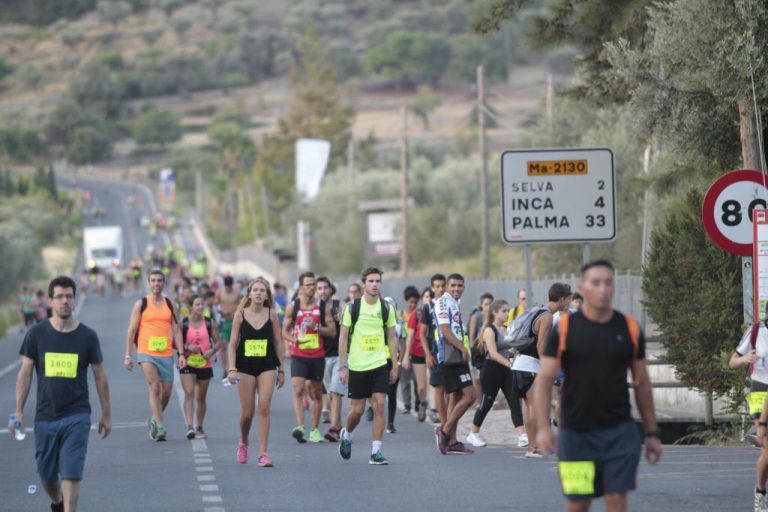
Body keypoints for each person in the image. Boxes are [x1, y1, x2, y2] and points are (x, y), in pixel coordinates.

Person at [534, 260, 662, 512]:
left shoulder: (629, 328)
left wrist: (652, 432)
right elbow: (545, 380)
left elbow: (642, 383)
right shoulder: (566, 328)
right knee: (579, 503)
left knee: (617, 501)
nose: (603, 289)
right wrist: (543, 429)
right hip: (575, 435)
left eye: (608, 282)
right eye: (595, 283)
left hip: (619, 433)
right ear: (583, 287)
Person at [12, 276, 111, 512]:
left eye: (69, 296)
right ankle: (57, 502)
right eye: (59, 297)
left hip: (77, 415)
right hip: (45, 417)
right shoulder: (36, 334)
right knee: (47, 476)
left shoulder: (87, 336)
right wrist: (18, 411)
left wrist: (106, 413)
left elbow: (100, 375)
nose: (65, 301)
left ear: (74, 300)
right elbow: (25, 373)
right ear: (50, 301)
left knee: (71, 471)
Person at [338, 267, 399, 465]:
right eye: (371, 281)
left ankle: (376, 452)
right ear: (364, 284)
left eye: (378, 281)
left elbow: (392, 336)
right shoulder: (352, 307)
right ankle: (346, 434)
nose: (375, 284)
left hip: (380, 362)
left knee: (380, 405)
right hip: (357, 365)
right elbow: (343, 337)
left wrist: (395, 364)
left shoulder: (386, 308)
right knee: (357, 411)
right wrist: (342, 366)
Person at [228, 277, 285, 467]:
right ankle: (243, 442)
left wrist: (282, 369)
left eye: (263, 290)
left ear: (267, 295)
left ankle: (263, 453)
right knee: (247, 413)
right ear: (249, 294)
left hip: (267, 365)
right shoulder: (240, 315)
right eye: (255, 290)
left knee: (264, 407)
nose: (259, 293)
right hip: (245, 366)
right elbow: (231, 344)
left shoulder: (272, 314)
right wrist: (231, 368)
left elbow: (278, 342)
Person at [124, 269, 186, 441]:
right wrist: (128, 355)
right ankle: (159, 426)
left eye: (159, 280)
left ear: (163, 283)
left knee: (166, 392)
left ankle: (154, 418)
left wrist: (181, 353)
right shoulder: (141, 304)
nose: (156, 284)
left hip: (166, 353)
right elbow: (132, 330)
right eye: (153, 280)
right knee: (155, 386)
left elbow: (176, 330)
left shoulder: (170, 304)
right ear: (149, 283)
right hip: (146, 352)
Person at [511, 282, 571, 458]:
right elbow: (541, 344)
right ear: (561, 299)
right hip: (529, 365)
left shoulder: (538, 309)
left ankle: (533, 446)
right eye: (567, 300)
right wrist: (548, 367)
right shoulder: (547, 317)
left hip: (520, 363)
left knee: (530, 406)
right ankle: (534, 447)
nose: (568, 303)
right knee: (534, 406)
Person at [282, 271, 336, 443]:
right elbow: (284, 331)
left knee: (316, 393)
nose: (313, 288)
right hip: (299, 355)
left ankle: (314, 430)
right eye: (309, 285)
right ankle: (301, 427)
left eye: (314, 284)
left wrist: (317, 327)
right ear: (301, 287)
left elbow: (333, 332)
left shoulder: (322, 306)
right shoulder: (293, 306)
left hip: (317, 355)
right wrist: (293, 341)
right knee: (298, 389)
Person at [466, 300, 525, 448]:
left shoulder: (506, 329)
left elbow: (509, 349)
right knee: (487, 402)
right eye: (504, 311)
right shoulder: (489, 330)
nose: (507, 314)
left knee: (514, 401)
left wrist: (516, 355)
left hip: (506, 369)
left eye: (508, 310)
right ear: (495, 313)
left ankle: (522, 436)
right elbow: (492, 353)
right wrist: (509, 363)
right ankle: (473, 433)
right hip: (492, 369)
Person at [730, 302, 768, 512]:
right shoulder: (755, 331)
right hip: (759, 389)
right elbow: (731, 362)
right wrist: (745, 358)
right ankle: (760, 492)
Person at [433, 273, 476, 455]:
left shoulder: (454, 302)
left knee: (456, 396)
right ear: (447, 287)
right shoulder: (443, 302)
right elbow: (445, 330)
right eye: (453, 285)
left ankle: (451, 442)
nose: (456, 289)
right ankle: (444, 431)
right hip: (451, 356)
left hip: (457, 355)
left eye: (460, 285)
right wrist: (463, 349)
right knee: (470, 396)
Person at [180, 295, 225, 440]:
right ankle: (189, 427)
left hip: (205, 363)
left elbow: (219, 342)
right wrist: (187, 346)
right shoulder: (184, 323)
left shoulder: (210, 323)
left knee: (201, 397)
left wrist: (211, 351)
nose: (200, 307)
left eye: (202, 304)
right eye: (197, 304)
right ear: (191, 307)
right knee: (189, 393)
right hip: (188, 363)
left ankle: (199, 427)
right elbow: (175, 343)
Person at [316, 276, 345, 442]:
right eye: (319, 288)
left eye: (325, 288)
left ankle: (334, 427)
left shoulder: (338, 305)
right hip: (322, 357)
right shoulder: (312, 308)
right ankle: (338, 427)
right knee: (331, 394)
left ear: (330, 289)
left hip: (340, 356)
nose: (322, 291)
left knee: (336, 391)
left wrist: (341, 319)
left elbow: (349, 324)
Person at [421, 274, 447, 425]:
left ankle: (448, 419)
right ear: (432, 288)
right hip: (435, 353)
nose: (441, 289)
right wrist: (428, 354)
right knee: (438, 388)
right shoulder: (428, 307)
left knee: (451, 389)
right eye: (437, 286)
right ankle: (443, 422)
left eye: (443, 285)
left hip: (450, 353)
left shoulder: (451, 303)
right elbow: (422, 333)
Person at [403, 287, 431, 422]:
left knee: (432, 384)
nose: (429, 299)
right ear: (422, 299)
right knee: (421, 386)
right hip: (418, 354)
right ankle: (423, 403)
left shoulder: (439, 312)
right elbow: (410, 335)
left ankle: (434, 409)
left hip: (433, 354)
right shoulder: (417, 314)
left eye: (431, 297)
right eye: (426, 297)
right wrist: (406, 356)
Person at [468, 293, 494, 406]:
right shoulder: (476, 317)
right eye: (486, 304)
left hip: (490, 351)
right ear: (482, 305)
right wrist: (472, 350)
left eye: (490, 304)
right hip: (478, 352)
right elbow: (471, 336)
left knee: (488, 377)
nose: (488, 306)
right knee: (478, 379)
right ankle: (479, 402)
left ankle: (488, 400)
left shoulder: (493, 318)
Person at [398, 286, 420, 415]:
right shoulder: (399, 315)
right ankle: (407, 404)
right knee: (405, 380)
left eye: (415, 302)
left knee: (417, 381)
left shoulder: (419, 315)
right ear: (406, 301)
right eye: (410, 302)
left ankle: (418, 402)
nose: (412, 305)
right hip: (403, 353)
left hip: (416, 352)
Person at [215, 275, 241, 386]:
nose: (228, 289)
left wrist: (235, 312)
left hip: (235, 320)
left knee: (236, 345)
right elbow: (216, 305)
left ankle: (235, 368)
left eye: (230, 287)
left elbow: (242, 304)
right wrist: (221, 313)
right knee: (224, 347)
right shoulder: (220, 292)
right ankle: (225, 369)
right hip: (225, 321)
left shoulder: (237, 291)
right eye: (227, 287)